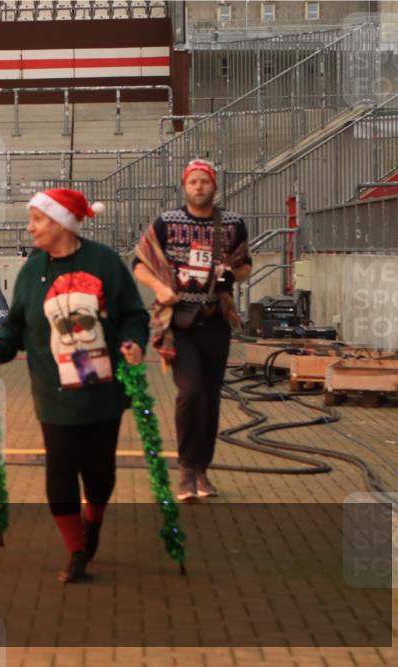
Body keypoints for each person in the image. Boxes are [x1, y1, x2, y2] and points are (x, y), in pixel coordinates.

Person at [0, 188, 149, 583]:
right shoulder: (33, 271)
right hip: (53, 394)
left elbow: (135, 315)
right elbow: (14, 327)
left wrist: (134, 343)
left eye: (38, 219)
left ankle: (94, 519)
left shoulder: (104, 261)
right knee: (60, 472)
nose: (31, 227)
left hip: (102, 391)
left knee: (100, 475)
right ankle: (76, 552)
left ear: (60, 223)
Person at [132, 159, 252, 501]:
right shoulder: (167, 222)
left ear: (214, 186)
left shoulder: (232, 224)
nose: (199, 187)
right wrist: (159, 289)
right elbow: (139, 264)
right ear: (184, 186)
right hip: (178, 322)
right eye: (193, 182)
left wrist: (232, 276)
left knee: (211, 397)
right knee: (191, 390)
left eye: (205, 181)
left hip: (214, 320)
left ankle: (202, 470)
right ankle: (186, 468)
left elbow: (245, 265)